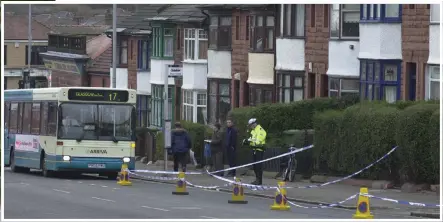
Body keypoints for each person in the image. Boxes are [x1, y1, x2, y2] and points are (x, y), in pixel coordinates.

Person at [243, 118, 267, 185]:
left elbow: (258, 141)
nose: (250, 126)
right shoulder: (253, 131)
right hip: (254, 149)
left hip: (259, 150)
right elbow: (252, 140)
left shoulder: (260, 130)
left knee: (258, 166)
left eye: (250, 125)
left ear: (254, 124)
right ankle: (257, 179)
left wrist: (250, 142)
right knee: (255, 166)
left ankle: (259, 180)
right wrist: (247, 142)